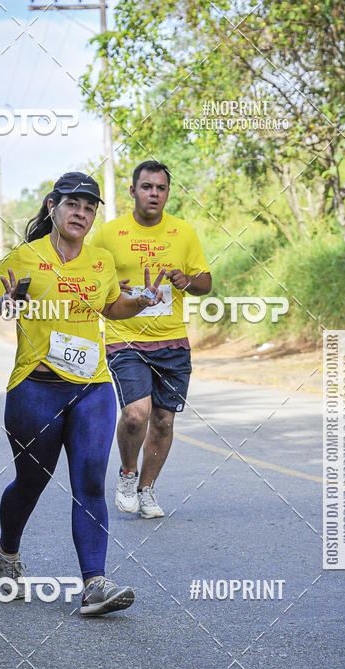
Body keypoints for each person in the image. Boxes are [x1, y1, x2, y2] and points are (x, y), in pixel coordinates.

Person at [0, 171, 164, 616]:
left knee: (90, 483)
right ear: (53, 207)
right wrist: (1, 303)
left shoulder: (100, 261)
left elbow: (111, 306)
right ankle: (8, 549)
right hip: (35, 390)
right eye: (73, 204)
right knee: (30, 483)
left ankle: (95, 583)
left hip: (92, 388)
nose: (81, 213)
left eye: (89, 207)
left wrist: (139, 301)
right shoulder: (24, 257)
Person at [91, 160, 212, 518]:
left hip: (172, 341)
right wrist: (110, 286)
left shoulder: (183, 232)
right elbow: (89, 274)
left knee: (163, 420)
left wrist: (186, 280)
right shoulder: (109, 234)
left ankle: (147, 489)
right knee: (135, 414)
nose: (154, 194)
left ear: (168, 192)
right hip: (125, 338)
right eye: (147, 187)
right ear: (133, 191)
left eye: (161, 188)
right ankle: (128, 475)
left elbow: (205, 282)